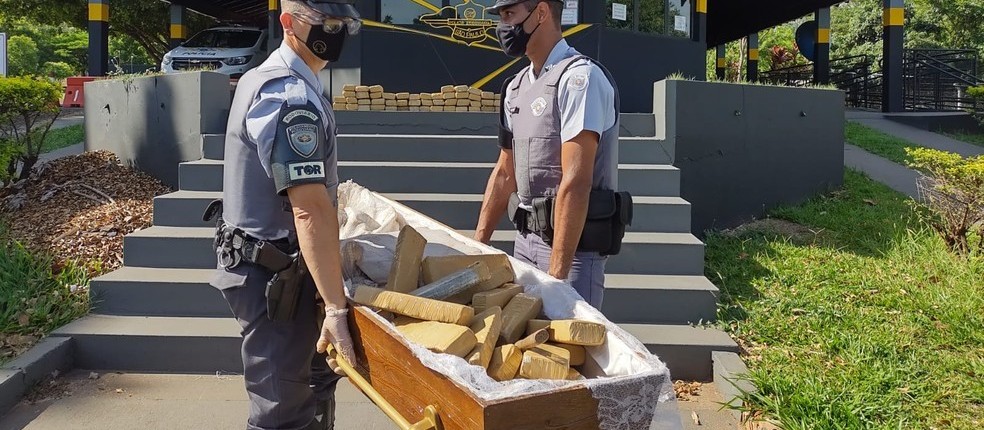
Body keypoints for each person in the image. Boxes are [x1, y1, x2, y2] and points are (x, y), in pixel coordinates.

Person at [207, 1, 360, 429]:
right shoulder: (287, 94)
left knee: (311, 388)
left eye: (343, 24)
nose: (335, 32)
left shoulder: (276, 79)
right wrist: (335, 308)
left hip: (277, 267)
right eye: (324, 23)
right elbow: (308, 209)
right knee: (282, 414)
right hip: (275, 281)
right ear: (289, 24)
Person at [474, 0, 624, 309]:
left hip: (574, 251)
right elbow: (505, 172)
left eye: (509, 14)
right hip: (526, 243)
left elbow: (576, 181)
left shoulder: (580, 80)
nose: (502, 26)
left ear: (541, 13)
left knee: (570, 351)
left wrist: (557, 277)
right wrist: (477, 247)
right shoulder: (515, 88)